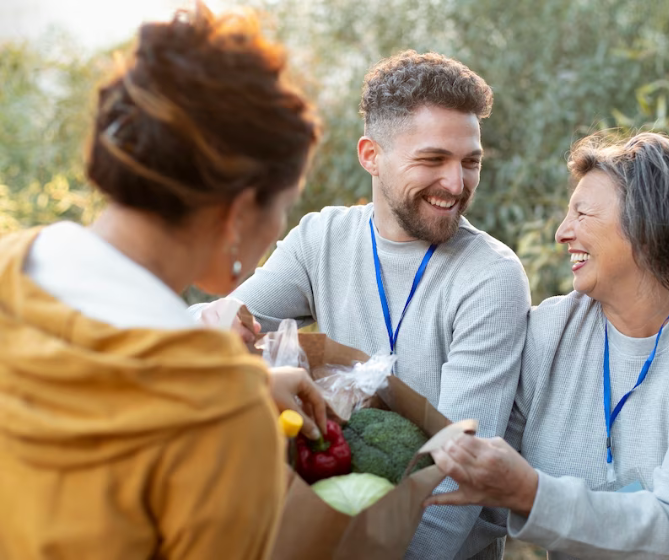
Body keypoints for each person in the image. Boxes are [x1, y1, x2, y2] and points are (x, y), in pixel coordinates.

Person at [0, 4, 324, 559]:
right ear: (240, 209)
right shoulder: (216, 412)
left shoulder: (12, 262)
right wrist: (231, 399)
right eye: (284, 206)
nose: (278, 230)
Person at [192, 50, 531, 559]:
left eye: (470, 162)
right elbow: (218, 331)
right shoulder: (322, 238)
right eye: (433, 160)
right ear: (371, 155)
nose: (456, 185)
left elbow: (452, 487)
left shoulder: (490, 277)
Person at [426, 132, 669, 559]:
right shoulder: (548, 334)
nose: (562, 232)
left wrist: (530, 492)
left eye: (582, 213)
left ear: (649, 225)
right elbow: (477, 492)